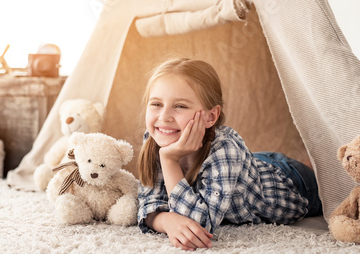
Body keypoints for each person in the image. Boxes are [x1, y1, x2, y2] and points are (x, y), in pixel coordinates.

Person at [137, 58, 322, 251]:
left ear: (210, 117)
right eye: (156, 104)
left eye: (180, 106)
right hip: (248, 166)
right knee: (247, 165)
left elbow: (200, 224)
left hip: (291, 180)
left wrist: (169, 160)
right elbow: (147, 202)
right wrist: (167, 220)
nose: (164, 117)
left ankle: (310, 164)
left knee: (329, 178)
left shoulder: (225, 148)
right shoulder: (158, 138)